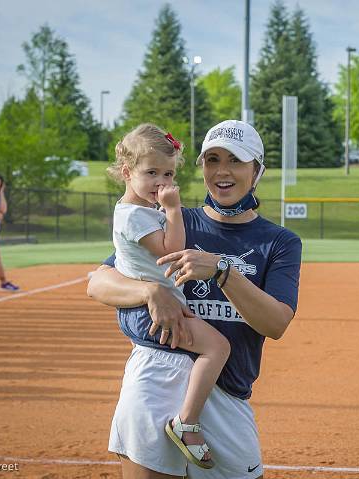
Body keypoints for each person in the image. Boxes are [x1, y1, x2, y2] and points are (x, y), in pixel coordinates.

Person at [87, 119, 302, 479]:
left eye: (236, 160)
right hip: (156, 382)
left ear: (257, 170)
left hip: (225, 396)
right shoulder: (172, 220)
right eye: (212, 159)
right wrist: (149, 291)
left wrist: (222, 271)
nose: (222, 171)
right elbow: (98, 283)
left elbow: (276, 323)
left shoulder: (279, 242)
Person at [107, 123, 230, 469]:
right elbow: (172, 249)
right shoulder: (134, 216)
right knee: (217, 347)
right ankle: (186, 422)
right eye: (151, 173)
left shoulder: (140, 211)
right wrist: (174, 209)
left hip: (155, 303)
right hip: (153, 309)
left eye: (169, 173)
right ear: (127, 173)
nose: (161, 182)